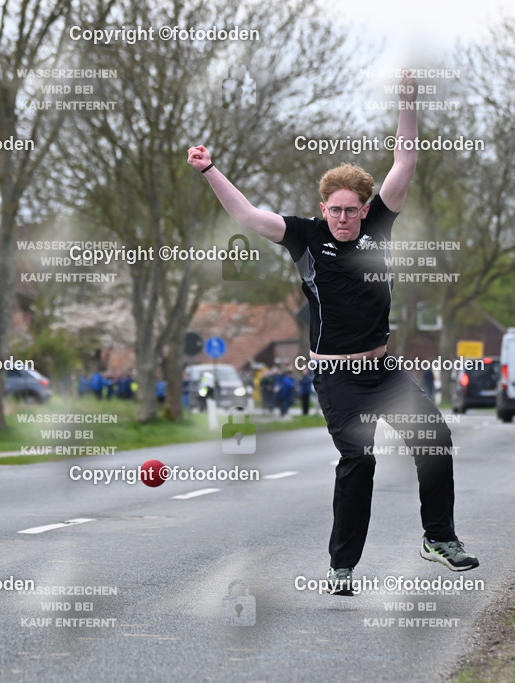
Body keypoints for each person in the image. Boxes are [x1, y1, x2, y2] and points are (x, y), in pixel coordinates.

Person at [187, 69, 478, 595]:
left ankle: (439, 538)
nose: (344, 219)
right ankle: (341, 567)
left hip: (383, 369)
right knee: (358, 459)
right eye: (335, 210)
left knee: (434, 440)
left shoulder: (378, 226)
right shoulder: (304, 237)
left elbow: (406, 158)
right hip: (337, 377)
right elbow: (249, 215)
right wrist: (210, 170)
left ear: (366, 210)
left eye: (352, 211)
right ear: (324, 209)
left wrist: (407, 98)